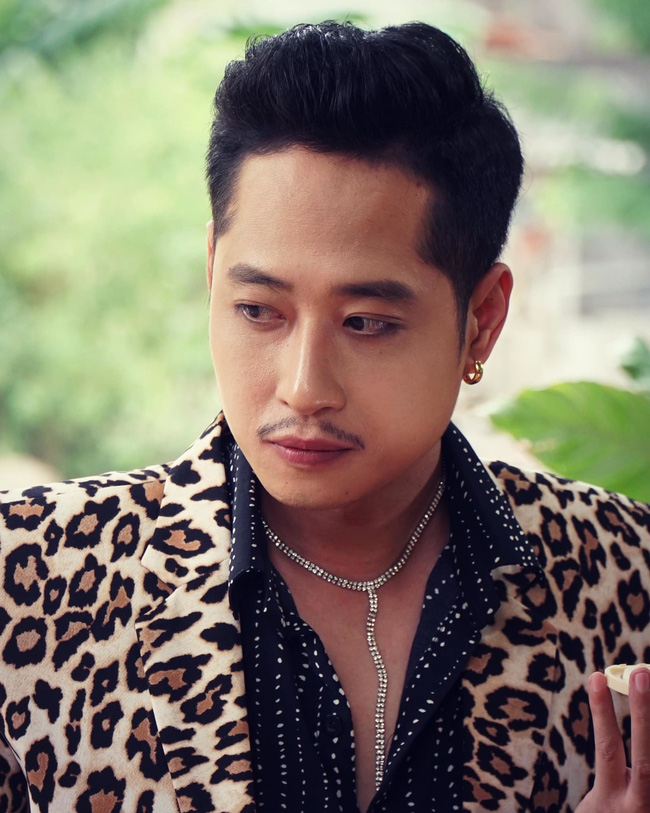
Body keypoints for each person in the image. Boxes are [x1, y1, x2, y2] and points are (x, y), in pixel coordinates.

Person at [0, 20, 648, 813]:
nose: (304, 387)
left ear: (481, 320)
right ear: (212, 273)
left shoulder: (624, 576)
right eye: (258, 309)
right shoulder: (28, 575)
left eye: (366, 322)